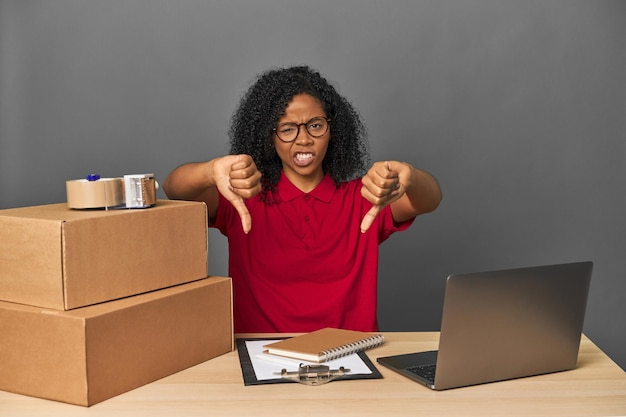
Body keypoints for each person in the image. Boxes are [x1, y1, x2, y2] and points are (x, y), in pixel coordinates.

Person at [163, 66, 442, 333]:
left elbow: (427, 201)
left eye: (315, 125)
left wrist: (411, 176)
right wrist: (210, 170)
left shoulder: (365, 198)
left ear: (333, 130)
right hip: (259, 357)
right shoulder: (244, 197)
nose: (304, 139)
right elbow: (174, 189)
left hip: (350, 356)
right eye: (287, 128)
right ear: (268, 137)